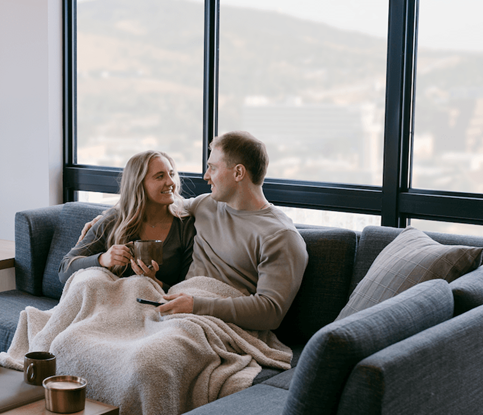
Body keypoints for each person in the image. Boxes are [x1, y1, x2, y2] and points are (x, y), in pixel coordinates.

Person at [157, 131, 308, 330]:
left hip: (220, 324)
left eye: (212, 168)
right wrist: (112, 224)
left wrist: (196, 306)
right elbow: (155, 208)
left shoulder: (280, 236)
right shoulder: (205, 205)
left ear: (238, 173)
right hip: (180, 306)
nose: (206, 176)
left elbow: (270, 312)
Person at [59, 150, 195, 290]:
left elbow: (187, 289)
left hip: (159, 302)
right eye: (160, 176)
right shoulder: (113, 221)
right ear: (138, 184)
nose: (171, 182)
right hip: (115, 300)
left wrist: (154, 282)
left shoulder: (185, 226)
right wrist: (103, 259)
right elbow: (64, 270)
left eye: (171, 174)